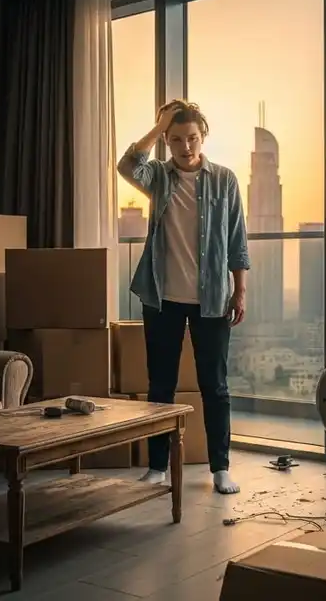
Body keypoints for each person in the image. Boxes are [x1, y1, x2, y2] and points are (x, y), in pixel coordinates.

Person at [117, 99, 249, 495]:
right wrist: (159, 126)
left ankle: (220, 467)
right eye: (176, 140)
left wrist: (239, 290)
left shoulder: (224, 180)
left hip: (212, 300)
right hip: (162, 297)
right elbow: (126, 165)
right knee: (161, 385)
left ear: (203, 137)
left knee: (216, 385)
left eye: (191, 138)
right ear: (167, 143)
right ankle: (157, 466)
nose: (185, 147)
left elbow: (236, 240)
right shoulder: (157, 176)